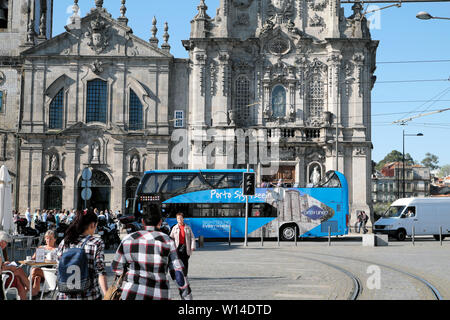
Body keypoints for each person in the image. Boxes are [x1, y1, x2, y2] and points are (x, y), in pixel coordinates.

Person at [111, 209, 192, 300]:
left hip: (131, 294)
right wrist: (186, 296)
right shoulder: (167, 241)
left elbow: (116, 267)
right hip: (160, 295)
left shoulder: (128, 239)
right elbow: (178, 274)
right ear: (160, 222)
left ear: (142, 222)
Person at [56, 210, 108, 300]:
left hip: (64, 296)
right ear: (92, 225)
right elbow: (100, 271)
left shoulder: (65, 241)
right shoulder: (96, 242)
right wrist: (107, 294)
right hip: (89, 296)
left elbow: (58, 269)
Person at [0, 231, 29, 300]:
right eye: (5, 242)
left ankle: (29, 289)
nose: (6, 245)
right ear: (1, 241)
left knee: (18, 276)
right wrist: (9, 267)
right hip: (3, 276)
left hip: (5, 274)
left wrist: (4, 264)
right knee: (18, 272)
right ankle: (30, 289)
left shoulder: (1, 249)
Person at [29, 230, 58, 297]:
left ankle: (25, 288)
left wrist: (45, 259)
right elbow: (33, 259)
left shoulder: (57, 249)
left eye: (51, 238)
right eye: (47, 238)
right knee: (37, 278)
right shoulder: (41, 248)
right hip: (41, 271)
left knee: (34, 270)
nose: (48, 240)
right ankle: (34, 295)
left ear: (55, 239)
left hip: (51, 272)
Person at [170, 212, 196, 277]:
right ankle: (180, 274)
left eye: (181, 218)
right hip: (177, 247)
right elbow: (171, 238)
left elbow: (192, 238)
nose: (179, 219)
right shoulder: (174, 228)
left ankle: (185, 274)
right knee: (178, 262)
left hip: (186, 247)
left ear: (183, 219)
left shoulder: (188, 227)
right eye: (178, 218)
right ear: (176, 219)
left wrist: (192, 246)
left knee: (185, 262)